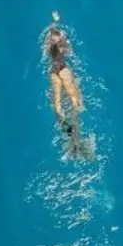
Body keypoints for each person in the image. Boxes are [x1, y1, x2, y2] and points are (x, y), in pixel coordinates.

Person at [43, 11, 90, 158]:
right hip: (62, 70)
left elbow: (52, 39)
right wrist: (56, 21)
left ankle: (70, 133)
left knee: (58, 106)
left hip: (54, 72)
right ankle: (75, 138)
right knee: (75, 103)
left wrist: (54, 22)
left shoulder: (50, 45)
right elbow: (67, 50)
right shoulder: (62, 44)